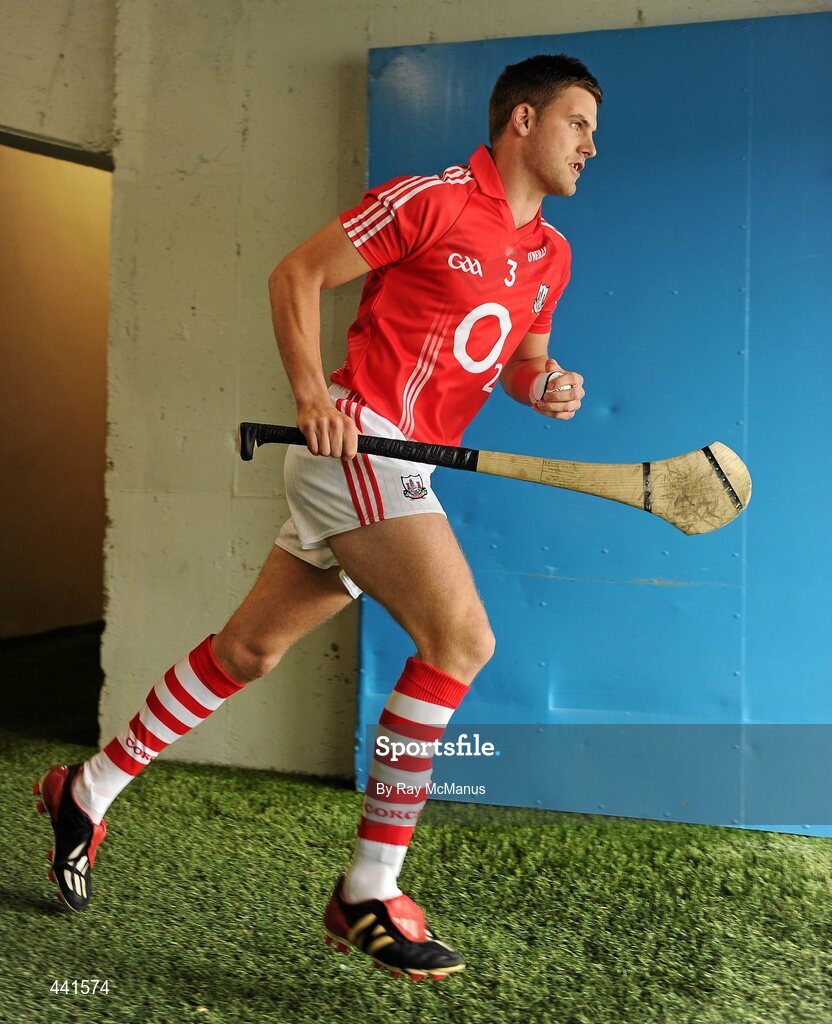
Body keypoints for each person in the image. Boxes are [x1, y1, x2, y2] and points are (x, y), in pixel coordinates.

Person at [34, 53, 600, 981]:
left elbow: (515, 360)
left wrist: (548, 386)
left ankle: (84, 791)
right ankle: (369, 890)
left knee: (249, 652)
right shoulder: (430, 199)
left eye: (594, 134)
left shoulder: (553, 255)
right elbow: (296, 274)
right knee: (461, 641)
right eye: (578, 123)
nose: (590, 146)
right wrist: (311, 395)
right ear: (524, 120)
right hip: (360, 446)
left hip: (405, 469)